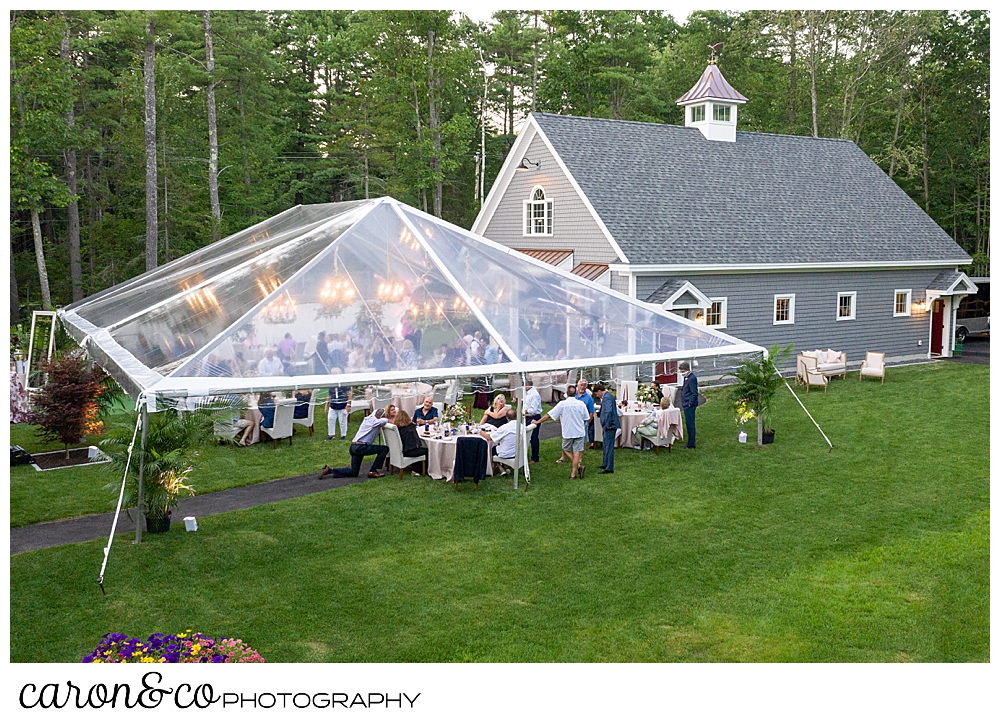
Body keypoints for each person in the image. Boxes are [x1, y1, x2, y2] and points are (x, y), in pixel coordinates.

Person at [320, 407, 390, 479]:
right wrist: (388, 419)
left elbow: (376, 412)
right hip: (361, 447)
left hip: (354, 446)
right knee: (384, 449)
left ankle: (330, 470)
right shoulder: (376, 421)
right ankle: (373, 470)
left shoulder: (368, 418)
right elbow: (382, 421)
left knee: (354, 472)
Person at [537, 385, 590, 480]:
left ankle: (577, 468)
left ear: (567, 393)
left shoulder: (562, 404)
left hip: (568, 432)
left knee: (565, 449)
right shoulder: (581, 404)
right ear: (575, 393)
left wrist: (537, 421)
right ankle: (573, 473)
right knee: (577, 452)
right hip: (580, 431)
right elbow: (586, 418)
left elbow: (549, 415)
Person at [594, 383, 621, 474]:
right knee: (605, 445)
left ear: (599, 391)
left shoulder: (607, 397)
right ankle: (605, 463)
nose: (597, 396)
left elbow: (609, 411)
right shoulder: (607, 396)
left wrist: (608, 424)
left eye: (597, 394)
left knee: (609, 447)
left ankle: (609, 467)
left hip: (610, 426)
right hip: (606, 425)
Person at [679, 361, 698, 449]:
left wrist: (690, 403)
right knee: (688, 423)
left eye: (682, 371)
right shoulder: (687, 377)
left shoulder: (691, 378)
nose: (681, 373)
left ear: (687, 370)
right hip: (686, 403)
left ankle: (691, 444)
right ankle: (690, 442)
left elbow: (694, 393)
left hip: (689, 405)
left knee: (690, 424)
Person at [523, 379, 542, 464]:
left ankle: (535, 458)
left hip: (533, 417)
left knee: (533, 437)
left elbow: (533, 410)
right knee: (527, 437)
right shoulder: (528, 393)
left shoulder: (534, 395)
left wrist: (524, 411)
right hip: (527, 417)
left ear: (527, 385)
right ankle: (526, 455)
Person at [576, 379, 597, 449]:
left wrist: (587, 423)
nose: (582, 387)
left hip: (583, 422)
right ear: (578, 386)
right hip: (573, 420)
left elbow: (591, 412)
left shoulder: (589, 398)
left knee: (582, 440)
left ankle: (580, 456)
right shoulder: (573, 396)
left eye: (584, 386)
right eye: (581, 385)